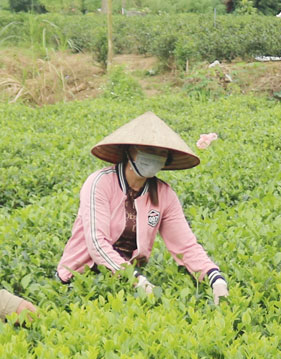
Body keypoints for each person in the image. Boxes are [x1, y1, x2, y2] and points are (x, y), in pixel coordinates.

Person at [57, 112, 229, 304]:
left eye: (162, 153)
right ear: (130, 151)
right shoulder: (100, 183)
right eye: (148, 150)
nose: (155, 157)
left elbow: (185, 246)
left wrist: (215, 278)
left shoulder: (164, 194)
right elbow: (97, 242)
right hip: (80, 279)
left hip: (129, 284)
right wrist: (136, 279)